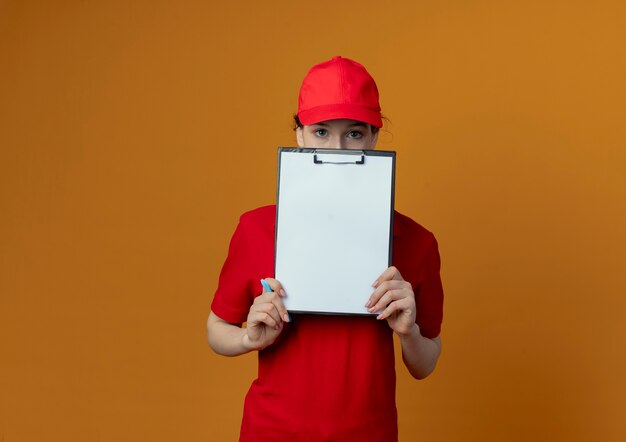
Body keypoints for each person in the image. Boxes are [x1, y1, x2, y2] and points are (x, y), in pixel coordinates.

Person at [207, 56, 444, 442]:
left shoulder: (416, 240)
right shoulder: (255, 228)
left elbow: (426, 362)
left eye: (354, 133)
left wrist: (409, 332)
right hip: (273, 431)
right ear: (299, 135)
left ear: (374, 137)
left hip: (368, 433)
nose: (338, 150)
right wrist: (248, 339)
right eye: (321, 133)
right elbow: (216, 327)